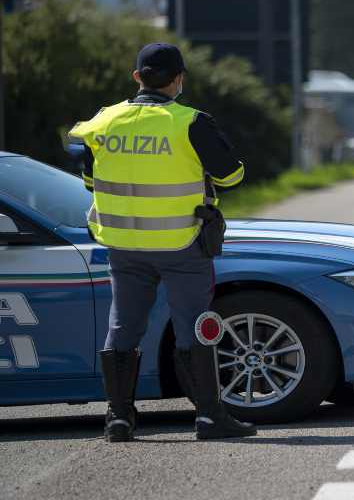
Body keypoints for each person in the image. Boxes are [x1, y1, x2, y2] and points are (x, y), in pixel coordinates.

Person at [67, 43, 256, 442]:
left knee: (123, 325)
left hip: (123, 243)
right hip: (181, 242)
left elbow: (89, 181)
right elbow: (232, 177)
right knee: (194, 326)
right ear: (179, 78)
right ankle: (208, 416)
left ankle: (118, 419)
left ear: (137, 77)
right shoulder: (189, 122)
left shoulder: (103, 123)